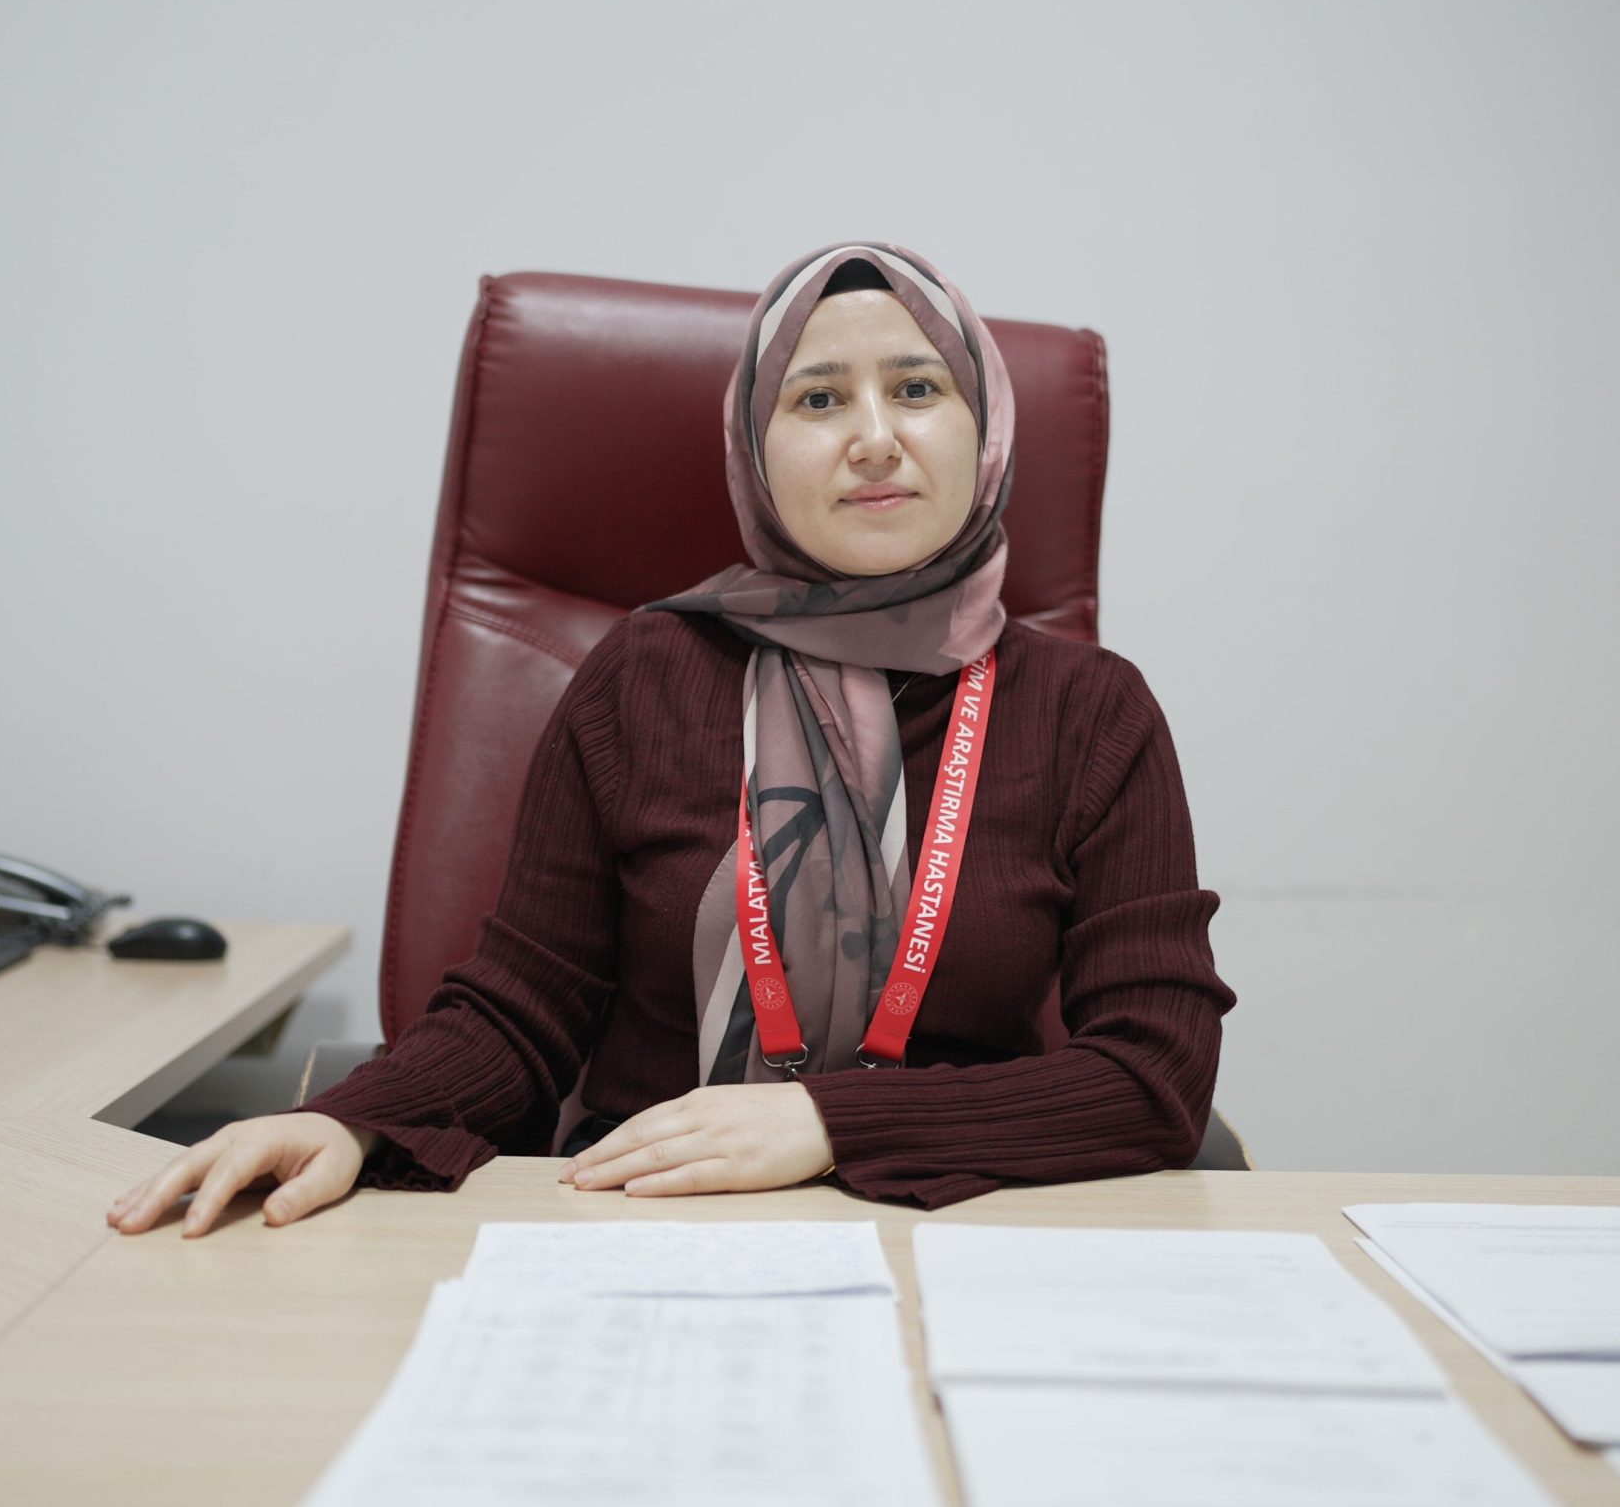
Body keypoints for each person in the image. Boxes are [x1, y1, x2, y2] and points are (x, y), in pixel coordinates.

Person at [107, 241, 1235, 1237]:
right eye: (818, 399)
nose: (874, 439)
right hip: (635, 1222)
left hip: (956, 1232)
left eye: (916, 387)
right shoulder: (645, 678)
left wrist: (826, 1121)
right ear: (754, 447)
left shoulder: (1090, 712)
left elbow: (1156, 1073)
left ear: (983, 427)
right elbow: (522, 1011)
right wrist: (351, 1122)